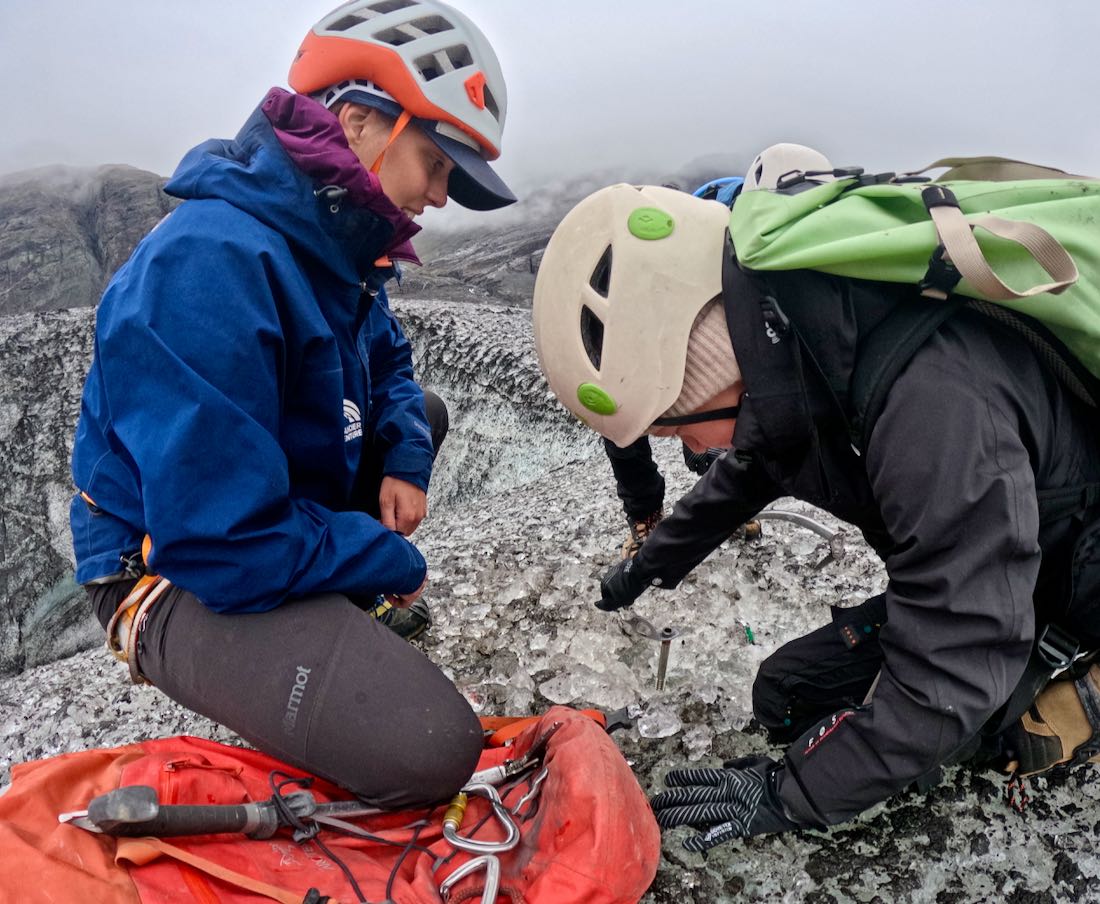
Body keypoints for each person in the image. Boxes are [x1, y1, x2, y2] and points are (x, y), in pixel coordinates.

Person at [531, 156, 1100, 849]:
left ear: (703, 370)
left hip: (1070, 592)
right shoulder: (800, 354)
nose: (690, 450)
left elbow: (956, 658)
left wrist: (787, 793)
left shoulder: (932, 404)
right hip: (994, 569)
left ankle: (1081, 695)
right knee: (786, 694)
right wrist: (648, 566)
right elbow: (745, 473)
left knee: (988, 735)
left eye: (674, 426)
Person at [70, 0, 514, 808]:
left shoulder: (334, 249)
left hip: (254, 514)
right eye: (436, 164)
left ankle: (323, 605)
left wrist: (407, 457)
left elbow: (392, 362)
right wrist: (387, 557)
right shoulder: (206, 268)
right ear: (358, 124)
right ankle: (280, 627)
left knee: (426, 417)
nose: (441, 198)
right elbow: (218, 543)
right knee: (430, 751)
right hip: (171, 566)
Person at [601, 178, 741, 559]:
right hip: (631, 348)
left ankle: (726, 489)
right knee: (626, 427)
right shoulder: (617, 258)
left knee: (709, 405)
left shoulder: (697, 249)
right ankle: (648, 511)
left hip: (679, 343)